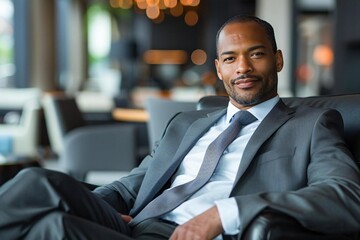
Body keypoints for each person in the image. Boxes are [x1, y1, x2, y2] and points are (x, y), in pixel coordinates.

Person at [1, 15, 360, 240]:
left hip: (192, 235)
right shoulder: (186, 123)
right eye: (231, 59)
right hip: (133, 225)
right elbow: (133, 184)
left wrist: (226, 213)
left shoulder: (312, 124)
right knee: (40, 189)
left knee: (49, 228)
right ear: (219, 69)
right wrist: (89, 206)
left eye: (256, 53)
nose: (243, 68)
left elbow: (346, 198)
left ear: (277, 59)